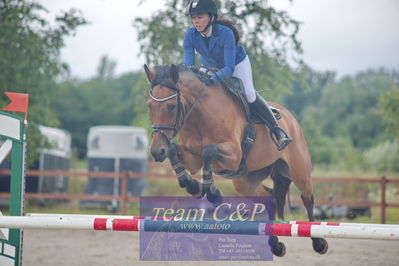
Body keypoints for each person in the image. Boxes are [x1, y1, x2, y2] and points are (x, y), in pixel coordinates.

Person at [183, 0, 292, 151]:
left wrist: (212, 78)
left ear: (211, 17)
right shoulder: (190, 35)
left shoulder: (226, 33)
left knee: (248, 92)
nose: (196, 21)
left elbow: (228, 68)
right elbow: (189, 67)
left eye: (199, 17)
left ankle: (277, 130)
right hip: (210, 66)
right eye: (193, 18)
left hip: (236, 64)